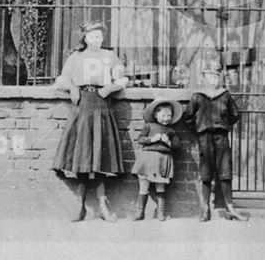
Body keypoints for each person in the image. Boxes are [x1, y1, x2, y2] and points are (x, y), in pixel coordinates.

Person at [52, 21, 128, 222]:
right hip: (83, 106)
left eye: (99, 36)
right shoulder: (76, 57)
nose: (96, 39)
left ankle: (103, 205)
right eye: (92, 36)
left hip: (102, 105)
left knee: (100, 156)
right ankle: (81, 206)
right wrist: (73, 88)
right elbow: (61, 79)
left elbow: (122, 79)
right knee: (84, 155)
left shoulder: (109, 56)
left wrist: (109, 88)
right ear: (85, 38)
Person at [187, 61, 248, 222]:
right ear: (203, 77)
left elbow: (234, 114)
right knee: (206, 174)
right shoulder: (197, 96)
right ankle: (205, 209)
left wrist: (224, 125)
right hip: (205, 138)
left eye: (216, 76)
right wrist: (199, 129)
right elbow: (188, 117)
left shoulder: (225, 95)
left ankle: (230, 208)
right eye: (210, 76)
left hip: (221, 137)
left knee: (225, 172)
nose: (213, 79)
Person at [131, 98, 183, 221]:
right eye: (163, 115)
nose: (166, 118)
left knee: (161, 185)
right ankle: (140, 212)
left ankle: (161, 212)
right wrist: (152, 140)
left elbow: (177, 146)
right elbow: (140, 139)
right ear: (155, 114)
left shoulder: (171, 131)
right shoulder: (149, 126)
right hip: (147, 159)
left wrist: (168, 142)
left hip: (162, 160)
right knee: (144, 184)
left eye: (169, 115)